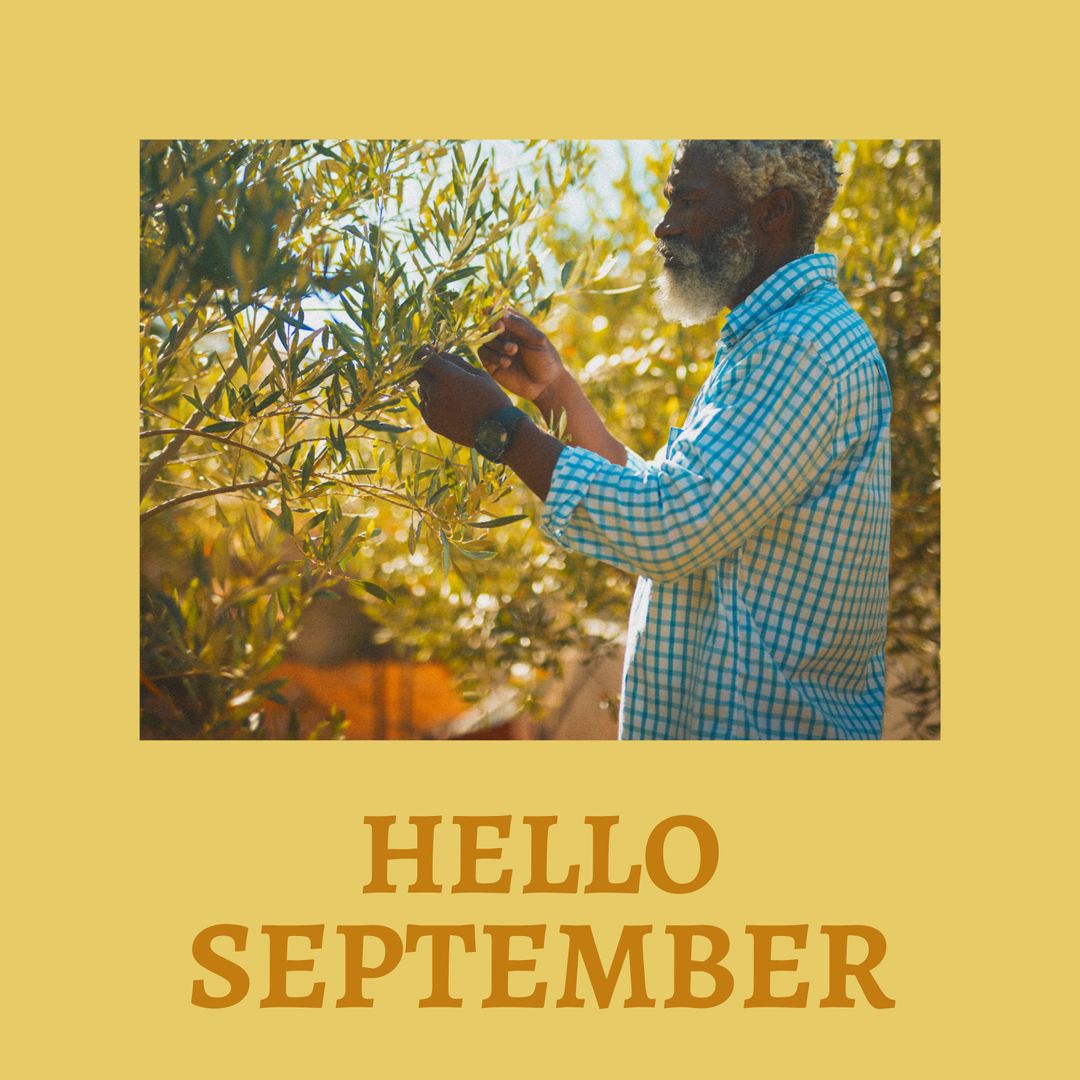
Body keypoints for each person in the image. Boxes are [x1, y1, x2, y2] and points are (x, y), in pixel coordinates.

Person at [414, 140, 891, 739]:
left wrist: (500, 431)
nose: (665, 226)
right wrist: (552, 390)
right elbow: (666, 498)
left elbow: (669, 526)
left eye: (688, 202)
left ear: (773, 211)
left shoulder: (802, 345)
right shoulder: (776, 337)